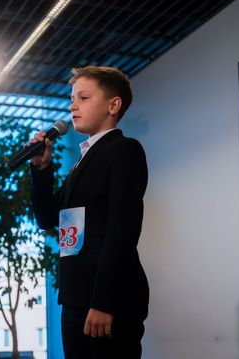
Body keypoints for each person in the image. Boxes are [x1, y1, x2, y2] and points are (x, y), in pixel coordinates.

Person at [29, 66, 149, 358]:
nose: (73, 106)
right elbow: (47, 218)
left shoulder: (124, 150)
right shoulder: (80, 164)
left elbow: (122, 231)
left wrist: (104, 302)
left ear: (113, 105)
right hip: (75, 297)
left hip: (107, 301)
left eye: (83, 98)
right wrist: (42, 169)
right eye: (72, 99)